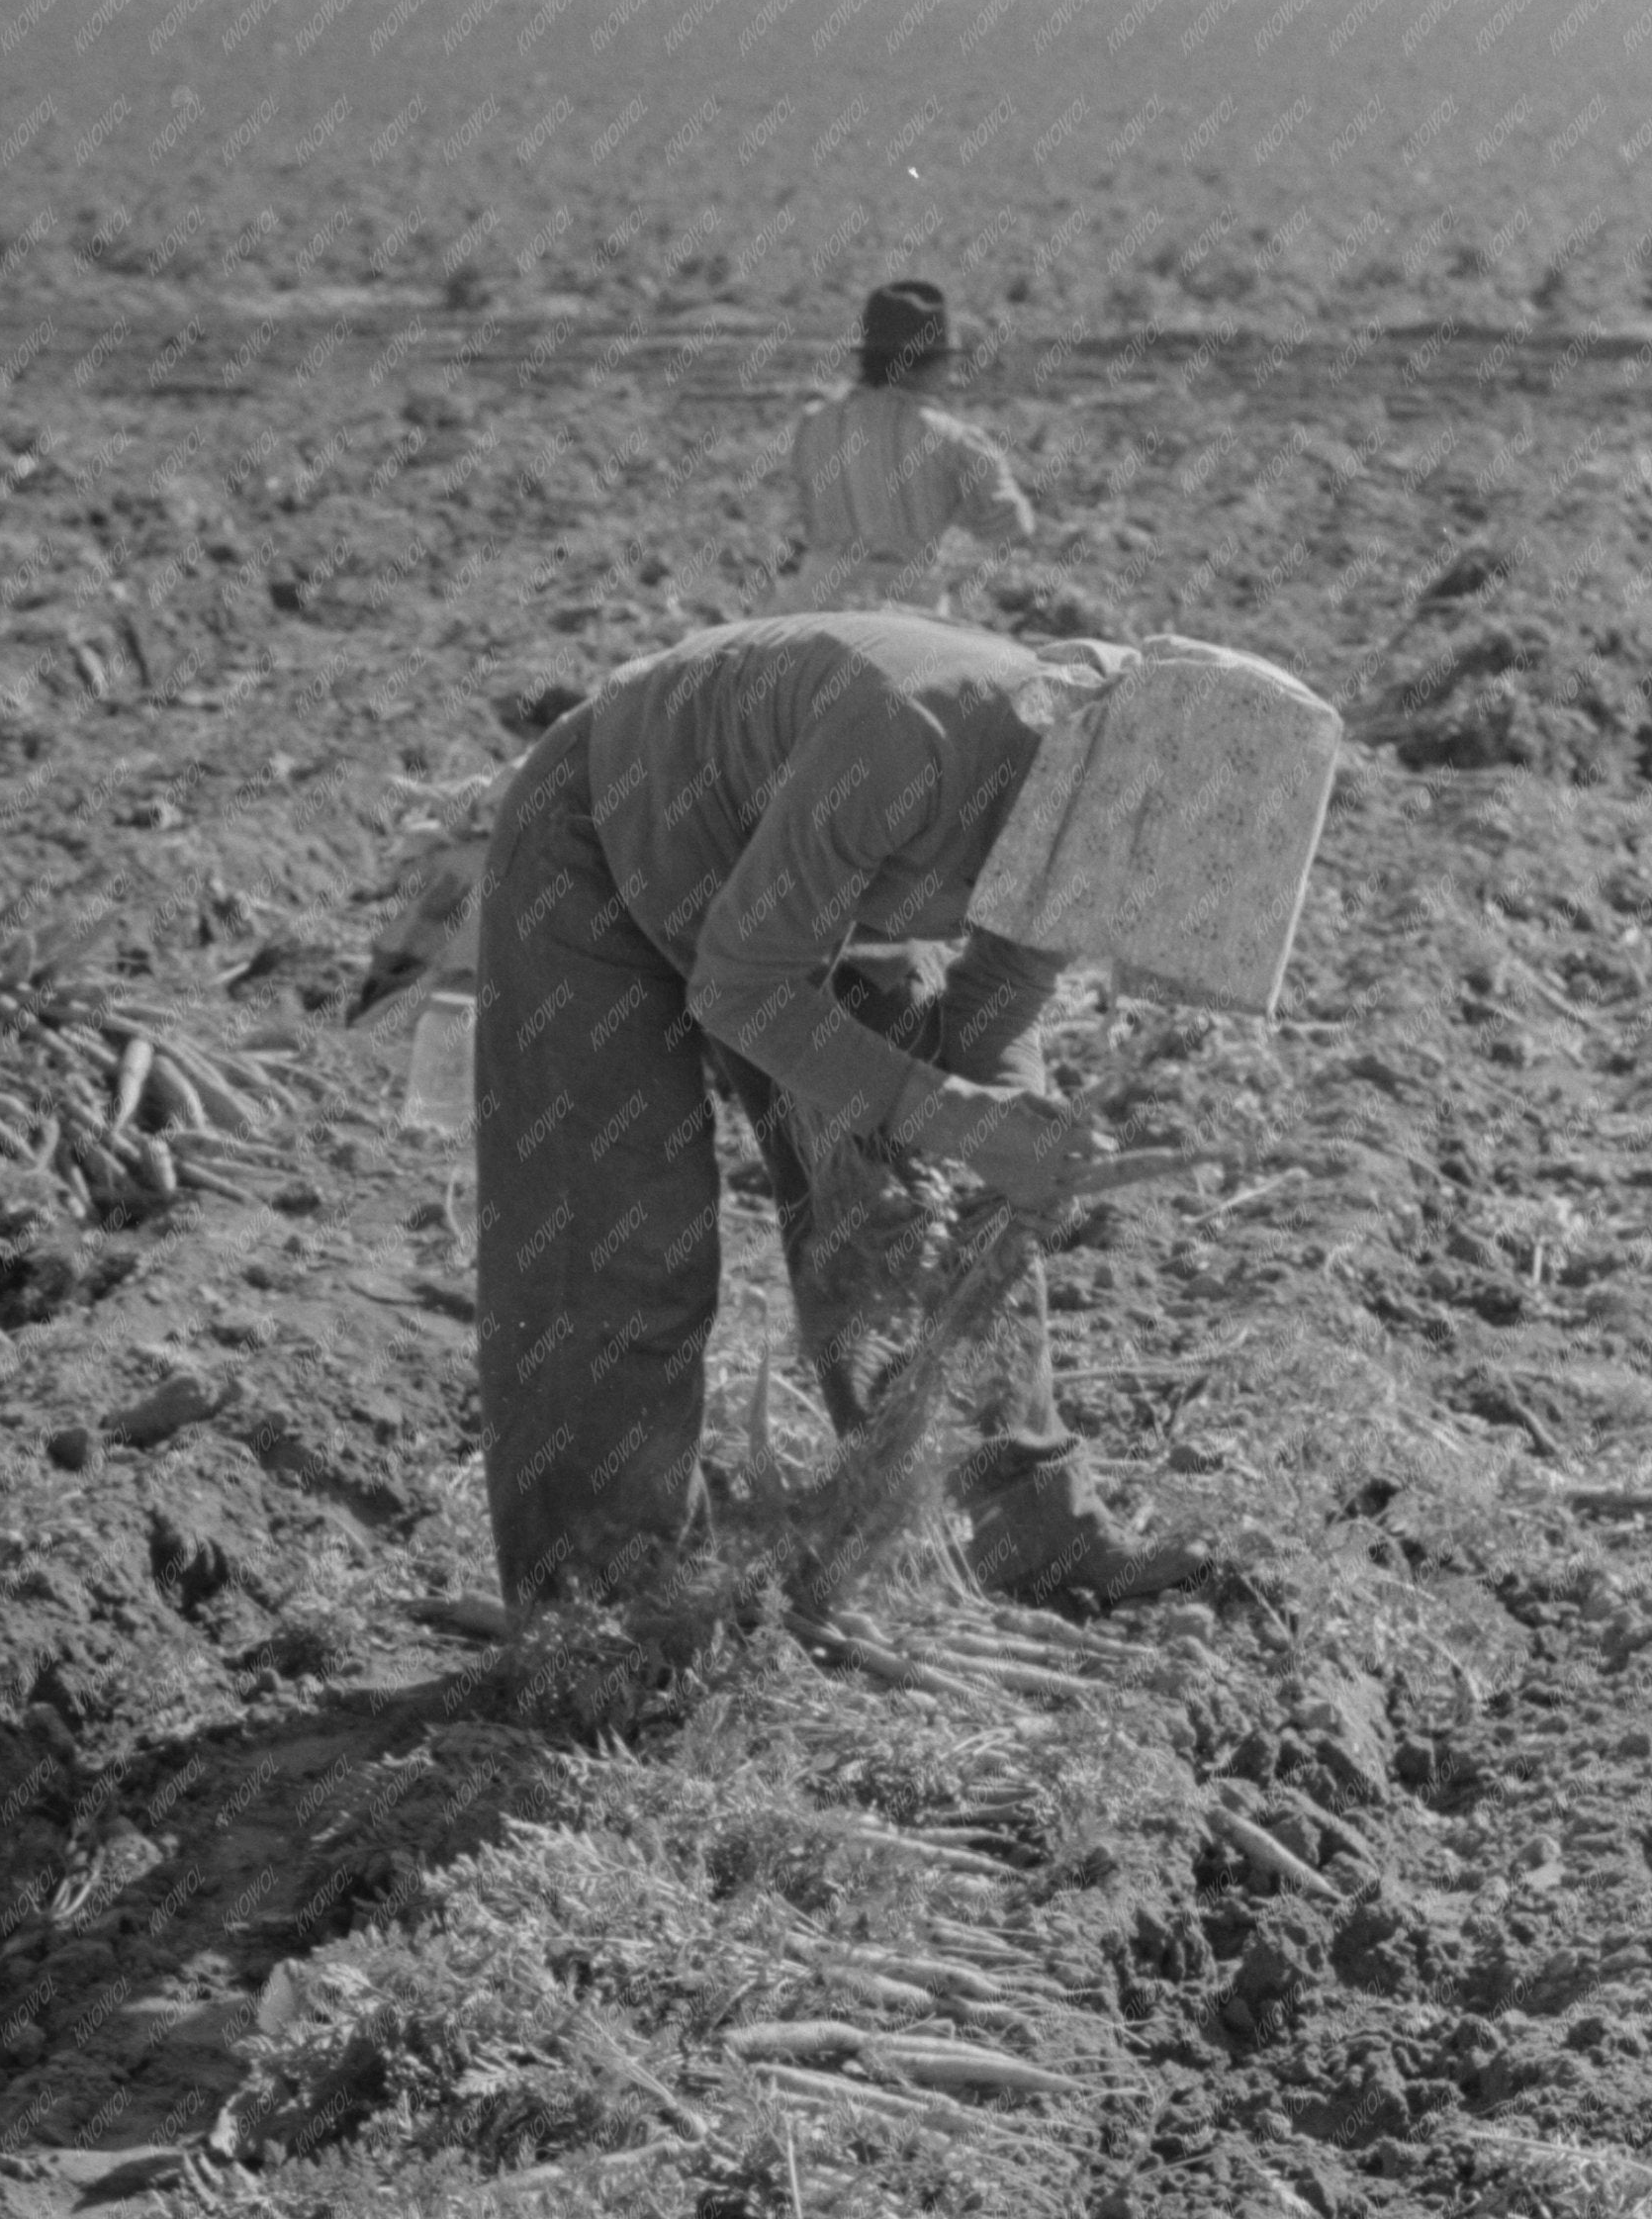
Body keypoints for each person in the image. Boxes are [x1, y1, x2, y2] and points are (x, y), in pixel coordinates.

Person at [472, 611, 1214, 1621]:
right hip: (606, 840)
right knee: (617, 1241)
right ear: (1102, 777)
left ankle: (1029, 1533)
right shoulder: (915, 738)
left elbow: (989, 1016)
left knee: (909, 1212)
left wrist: (1011, 1135)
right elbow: (745, 986)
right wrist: (956, 1114)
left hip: (822, 907)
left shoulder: (1090, 827)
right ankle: (600, 1616)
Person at [774, 278, 1035, 616]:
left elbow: (783, 509)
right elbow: (1013, 524)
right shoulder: (954, 440)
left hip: (814, 600)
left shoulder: (814, 422)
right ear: (933, 364)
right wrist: (955, 567)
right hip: (910, 604)